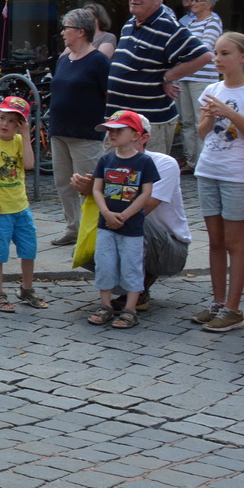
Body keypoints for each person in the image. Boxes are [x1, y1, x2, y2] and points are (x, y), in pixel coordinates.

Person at [191, 32, 244, 333]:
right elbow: (201, 133)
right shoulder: (211, 88)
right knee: (215, 241)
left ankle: (234, 308)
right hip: (208, 169)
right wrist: (211, 117)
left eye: (225, 53)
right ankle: (218, 302)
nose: (218, 58)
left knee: (234, 242)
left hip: (237, 174)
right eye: (216, 53)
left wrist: (229, 113)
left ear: (243, 58)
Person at [108, 0, 212, 154]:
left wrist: (168, 76)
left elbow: (203, 56)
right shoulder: (130, 23)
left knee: (148, 178)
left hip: (148, 124)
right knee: (116, 177)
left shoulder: (168, 26)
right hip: (118, 120)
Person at [0, 96, 47, 313]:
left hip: (21, 207)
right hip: (1, 210)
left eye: (13, 121)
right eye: (2, 118)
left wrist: (25, 136)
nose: (5, 124)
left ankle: (27, 288)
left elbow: (29, 165)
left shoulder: (19, 141)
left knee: (29, 250)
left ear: (21, 124)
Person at [86, 110, 158, 329]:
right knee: (105, 263)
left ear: (135, 135)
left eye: (118, 130)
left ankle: (130, 308)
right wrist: (107, 213)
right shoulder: (106, 159)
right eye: (110, 130)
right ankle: (106, 304)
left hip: (132, 226)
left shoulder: (144, 162)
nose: (112, 135)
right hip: (106, 225)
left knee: (132, 265)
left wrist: (126, 215)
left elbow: (145, 193)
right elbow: (97, 189)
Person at [47, 8, 111, 246]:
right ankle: (73, 228)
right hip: (59, 131)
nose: (63, 32)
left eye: (67, 28)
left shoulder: (98, 61)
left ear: (81, 32)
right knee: (63, 183)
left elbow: (109, 96)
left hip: (86, 134)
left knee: (88, 186)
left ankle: (90, 233)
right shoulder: (64, 60)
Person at [176, 0, 224, 168]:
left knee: (201, 119)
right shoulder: (189, 23)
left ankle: (204, 162)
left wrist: (183, 53)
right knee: (186, 121)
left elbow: (205, 47)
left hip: (202, 77)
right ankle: (192, 160)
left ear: (209, 5)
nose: (193, 4)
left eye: (198, 1)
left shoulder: (212, 22)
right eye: (193, 0)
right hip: (184, 76)